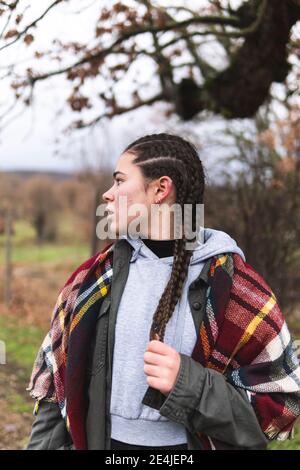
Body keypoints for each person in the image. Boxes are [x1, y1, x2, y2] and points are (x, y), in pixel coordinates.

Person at [26, 133, 300, 450]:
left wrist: (191, 386)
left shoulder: (235, 286)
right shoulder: (93, 279)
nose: (107, 194)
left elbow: (284, 404)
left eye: (119, 181)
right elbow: (52, 390)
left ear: (160, 189)